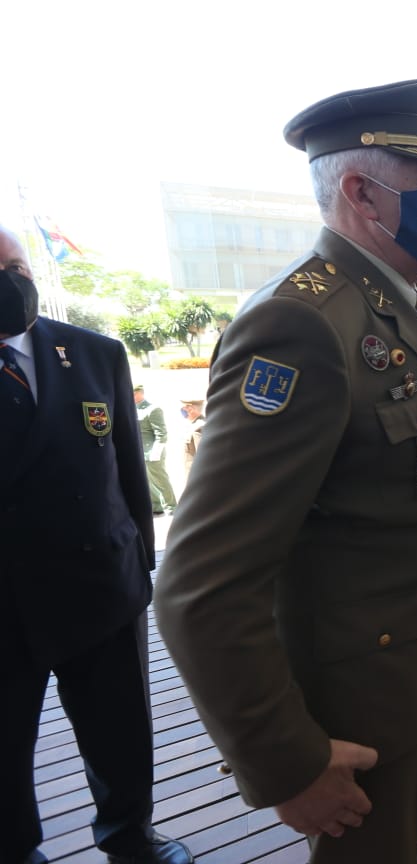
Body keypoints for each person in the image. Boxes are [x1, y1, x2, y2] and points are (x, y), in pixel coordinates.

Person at [154, 79, 417, 863]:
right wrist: (288, 762)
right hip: (347, 714)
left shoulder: (394, 303)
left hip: (402, 679)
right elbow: (201, 585)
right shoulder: (303, 321)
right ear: (363, 193)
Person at [0, 226, 193, 864]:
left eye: (18, 267)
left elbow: (129, 473)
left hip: (102, 582)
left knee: (120, 729)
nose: (12, 283)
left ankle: (128, 833)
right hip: (7, 597)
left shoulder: (92, 352)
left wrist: (141, 560)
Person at [133, 384, 177, 515]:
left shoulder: (153, 409)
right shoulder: (132, 409)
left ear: (140, 393)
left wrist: (155, 453)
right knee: (148, 481)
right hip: (141, 452)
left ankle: (171, 507)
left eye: (133, 393)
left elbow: (161, 434)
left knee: (160, 479)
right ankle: (156, 506)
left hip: (153, 451)